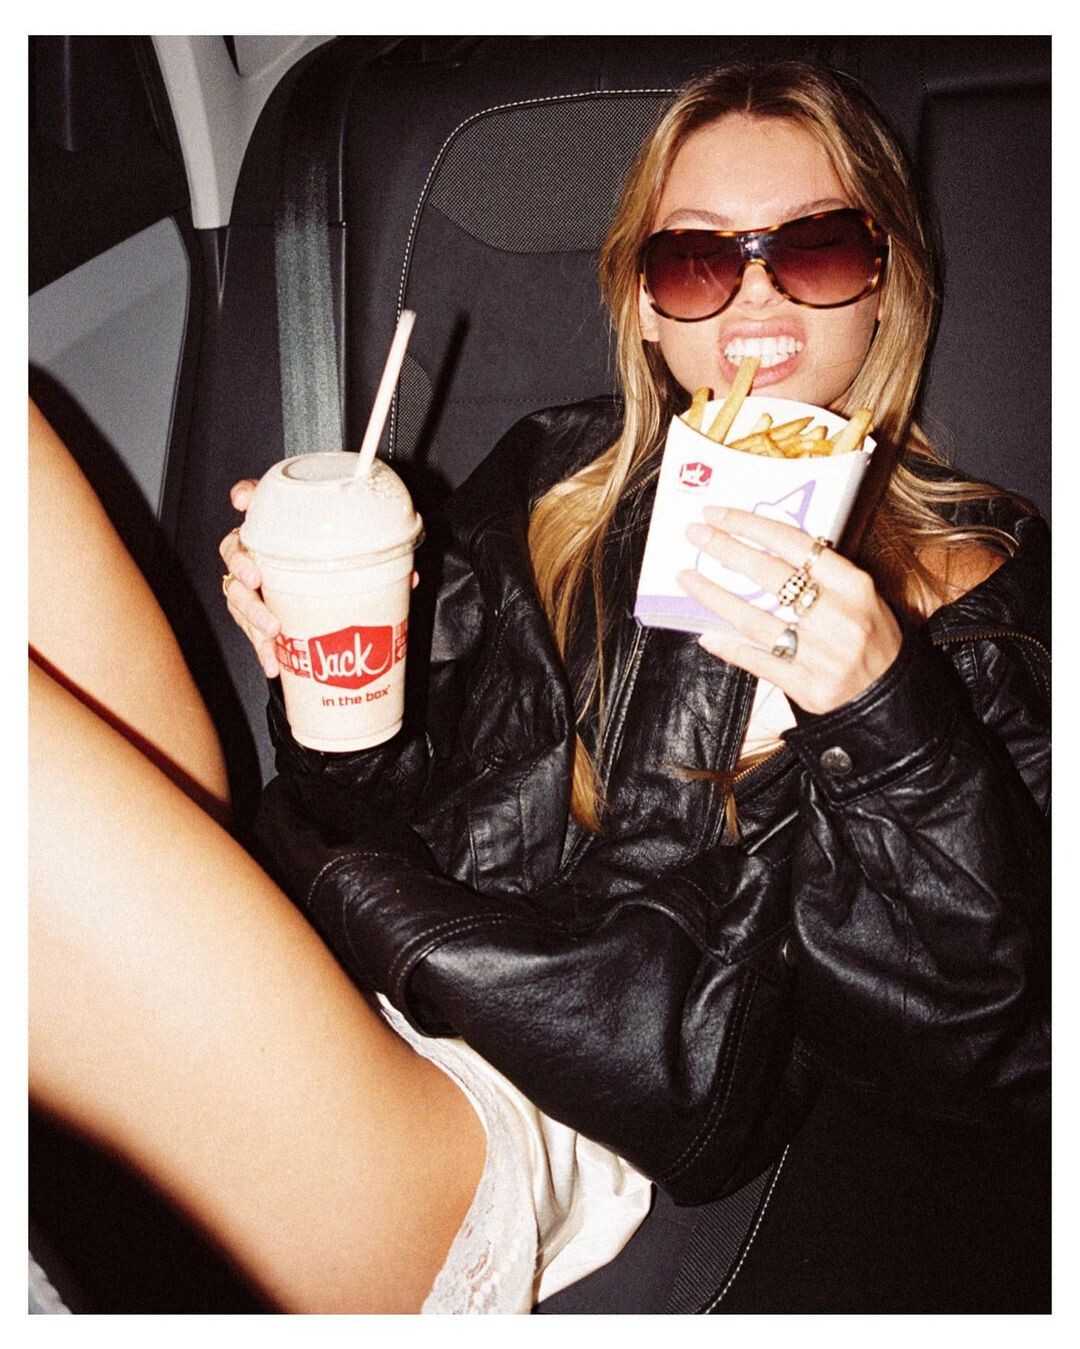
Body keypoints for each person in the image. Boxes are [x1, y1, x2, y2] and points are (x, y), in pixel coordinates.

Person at [29, 58, 1049, 1314]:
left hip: (548, 1102)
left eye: (816, 246)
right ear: (645, 307)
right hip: (358, 958)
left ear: (886, 282)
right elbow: (382, 806)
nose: (757, 291)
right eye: (697, 260)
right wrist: (334, 673)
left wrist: (880, 707)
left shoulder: (973, 595)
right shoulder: (553, 488)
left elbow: (982, 1048)